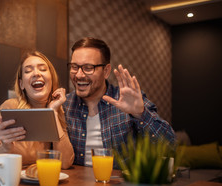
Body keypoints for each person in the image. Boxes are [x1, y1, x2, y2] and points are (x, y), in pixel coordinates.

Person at [63, 37, 176, 167]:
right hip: (76, 185)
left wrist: (141, 114)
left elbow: (169, 146)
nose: (79, 75)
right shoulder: (65, 105)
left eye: (88, 68)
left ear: (106, 71)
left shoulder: (127, 100)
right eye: (74, 67)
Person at [0, 50, 74, 171]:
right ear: (21, 84)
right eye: (28, 71)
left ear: (51, 79)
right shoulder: (10, 107)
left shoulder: (57, 110)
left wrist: (53, 113)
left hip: (42, 184)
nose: (36, 73)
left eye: (43, 69)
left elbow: (65, 162)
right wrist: (5, 148)